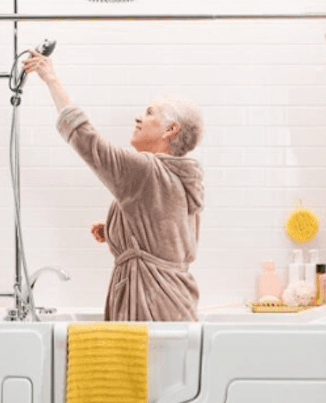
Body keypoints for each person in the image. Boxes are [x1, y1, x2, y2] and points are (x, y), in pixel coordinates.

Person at [23, 50, 205, 322]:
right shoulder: (180, 177)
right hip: (176, 303)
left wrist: (50, 79)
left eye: (149, 113)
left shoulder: (146, 170)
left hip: (150, 302)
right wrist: (116, 230)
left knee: (140, 366)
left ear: (170, 130)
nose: (138, 118)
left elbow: (88, 141)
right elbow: (168, 232)